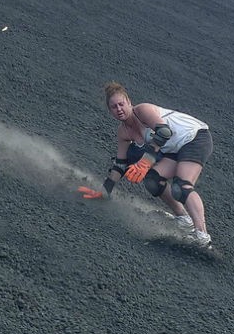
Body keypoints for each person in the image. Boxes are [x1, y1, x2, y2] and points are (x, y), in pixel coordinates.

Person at [78, 81, 214, 246]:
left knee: (182, 186)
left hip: (195, 138)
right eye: (114, 107)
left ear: (129, 102)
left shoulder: (143, 111)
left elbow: (164, 132)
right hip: (175, 149)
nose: (119, 109)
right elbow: (120, 164)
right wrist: (105, 191)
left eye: (121, 104)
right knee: (152, 179)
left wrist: (146, 161)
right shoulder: (123, 132)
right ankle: (184, 219)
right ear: (110, 111)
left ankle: (202, 236)